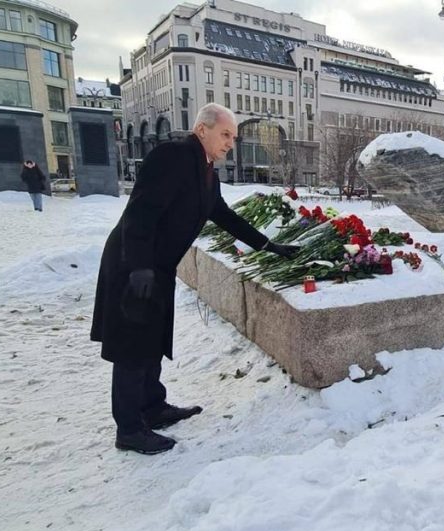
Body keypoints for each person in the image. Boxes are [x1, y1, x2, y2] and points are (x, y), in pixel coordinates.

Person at [90, 103, 300, 455]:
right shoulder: (171, 156)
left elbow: (223, 215)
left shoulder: (206, 170)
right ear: (202, 130)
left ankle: (152, 406)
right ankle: (129, 428)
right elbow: (140, 213)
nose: (231, 142)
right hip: (133, 261)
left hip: (158, 266)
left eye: (233, 136)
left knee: (152, 338)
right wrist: (139, 266)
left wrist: (267, 244)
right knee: (132, 346)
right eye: (226, 134)